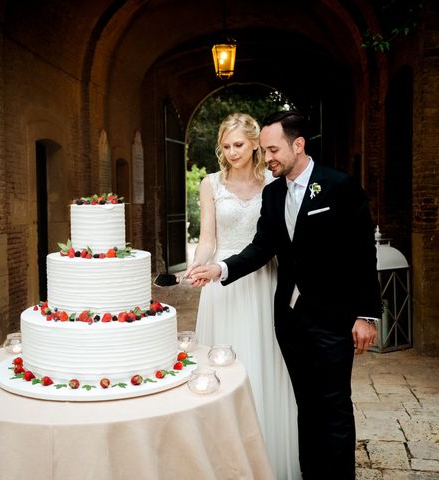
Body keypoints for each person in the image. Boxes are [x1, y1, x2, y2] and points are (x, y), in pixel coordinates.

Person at [189, 110, 382, 479]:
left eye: (273, 149)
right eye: (265, 150)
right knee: (305, 408)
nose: (269, 157)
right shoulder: (274, 193)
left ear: (298, 145)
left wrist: (366, 315)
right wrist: (220, 269)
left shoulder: (339, 185)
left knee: (335, 409)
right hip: (290, 323)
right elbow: (261, 248)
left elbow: (362, 254)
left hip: (332, 320)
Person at [184, 112, 301, 479]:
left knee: (262, 363)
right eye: (226, 146)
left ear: (254, 144)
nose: (232, 152)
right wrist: (199, 266)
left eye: (238, 145)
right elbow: (208, 241)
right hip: (222, 287)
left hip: (264, 282)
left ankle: (268, 454)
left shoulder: (274, 181)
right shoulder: (210, 185)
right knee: (222, 368)